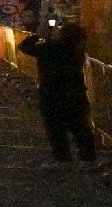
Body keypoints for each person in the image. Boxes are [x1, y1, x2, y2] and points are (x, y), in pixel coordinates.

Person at [30, 14, 95, 161]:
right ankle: (88, 158)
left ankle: (63, 158)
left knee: (56, 131)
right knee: (81, 130)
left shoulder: (49, 48)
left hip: (51, 96)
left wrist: (40, 35)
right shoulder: (76, 53)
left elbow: (26, 47)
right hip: (74, 97)